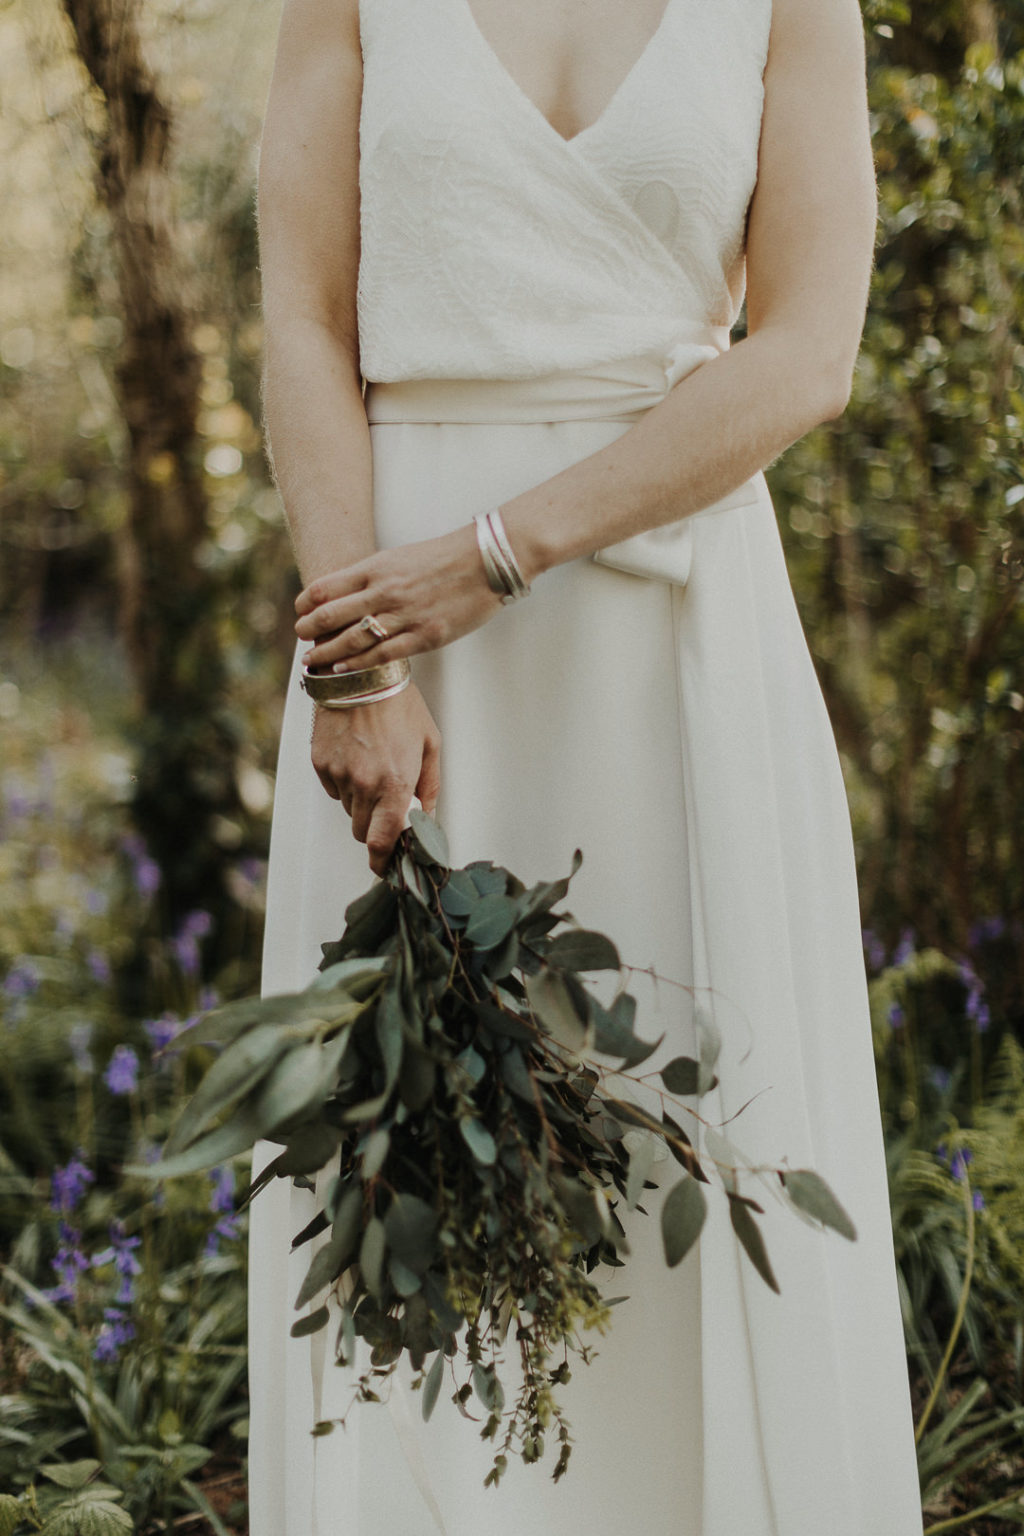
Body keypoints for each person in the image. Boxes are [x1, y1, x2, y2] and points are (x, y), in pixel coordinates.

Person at [247, 0, 924, 1531]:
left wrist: (502, 552)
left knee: (699, 1131)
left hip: (675, 635)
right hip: (399, 651)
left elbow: (811, 352)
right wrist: (359, 658)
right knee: (410, 1180)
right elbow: (305, 319)